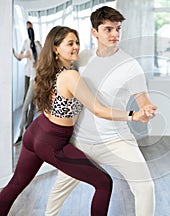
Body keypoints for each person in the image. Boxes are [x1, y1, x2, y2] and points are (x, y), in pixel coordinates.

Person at [0, 26, 153, 216]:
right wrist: (133, 115)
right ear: (56, 48)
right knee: (104, 183)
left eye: (77, 42)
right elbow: (98, 109)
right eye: (70, 43)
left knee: (15, 184)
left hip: (36, 132)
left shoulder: (47, 70)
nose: (76, 47)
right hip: (52, 142)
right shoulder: (70, 76)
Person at [45, 6, 157, 216]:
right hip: (81, 142)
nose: (115, 34)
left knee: (146, 187)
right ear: (94, 32)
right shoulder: (83, 58)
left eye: (118, 29)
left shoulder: (130, 65)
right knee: (59, 189)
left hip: (117, 141)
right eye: (108, 29)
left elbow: (144, 101)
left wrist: (147, 110)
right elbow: (61, 79)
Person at [13, 26, 42, 145]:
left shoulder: (30, 51)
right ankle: (30, 131)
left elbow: (19, 57)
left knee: (25, 108)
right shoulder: (40, 46)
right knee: (34, 107)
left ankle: (20, 135)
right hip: (39, 81)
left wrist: (13, 51)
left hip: (33, 81)